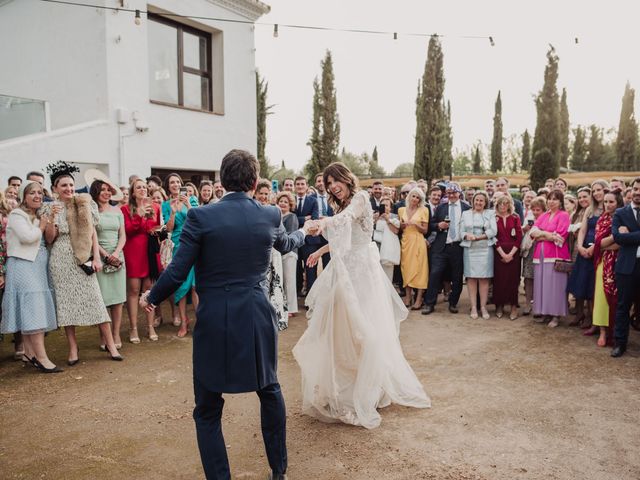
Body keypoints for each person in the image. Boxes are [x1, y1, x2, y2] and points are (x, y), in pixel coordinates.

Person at [141, 149, 312, 480]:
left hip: (215, 315)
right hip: (255, 313)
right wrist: (308, 231)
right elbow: (288, 244)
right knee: (269, 389)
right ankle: (279, 471)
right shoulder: (269, 214)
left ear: (222, 179)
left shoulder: (201, 217)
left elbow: (177, 271)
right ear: (253, 180)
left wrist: (153, 296)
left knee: (207, 408)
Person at [294, 162, 430, 429]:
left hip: (362, 272)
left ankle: (368, 388)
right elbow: (342, 239)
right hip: (344, 269)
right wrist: (320, 252)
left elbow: (345, 223)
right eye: (328, 183)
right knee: (339, 328)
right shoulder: (340, 206)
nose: (333, 186)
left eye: (336, 181)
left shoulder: (360, 198)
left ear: (346, 179)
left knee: (363, 328)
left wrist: (321, 223)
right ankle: (344, 386)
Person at [43, 161, 123, 364]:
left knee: (96, 301)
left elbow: (93, 234)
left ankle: (111, 345)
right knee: (66, 306)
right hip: (60, 260)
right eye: (64, 186)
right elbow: (50, 239)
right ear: (55, 189)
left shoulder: (86, 202)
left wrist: (96, 257)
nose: (69, 189)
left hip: (83, 257)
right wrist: (52, 218)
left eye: (71, 185)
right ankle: (73, 348)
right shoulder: (48, 208)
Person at [1, 181, 60, 373]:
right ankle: (42, 358)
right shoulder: (17, 215)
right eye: (32, 193)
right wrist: (42, 225)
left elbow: (50, 239)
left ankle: (29, 353)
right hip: (23, 265)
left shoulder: (39, 215)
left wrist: (50, 219)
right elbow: (27, 237)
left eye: (39, 193)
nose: (37, 196)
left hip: (38, 266)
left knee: (31, 309)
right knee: (34, 310)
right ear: (23, 196)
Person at [90, 177, 127, 350]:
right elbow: (90, 237)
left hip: (118, 257)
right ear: (95, 192)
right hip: (99, 256)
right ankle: (104, 336)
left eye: (108, 190)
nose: (105, 192)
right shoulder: (91, 211)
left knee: (118, 299)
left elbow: (123, 235)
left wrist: (116, 253)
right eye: (102, 189)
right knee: (103, 299)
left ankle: (116, 333)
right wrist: (105, 255)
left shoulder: (117, 210)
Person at [422, 183, 470, 315]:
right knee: (434, 274)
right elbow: (431, 224)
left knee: (457, 276)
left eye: (454, 193)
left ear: (459, 193)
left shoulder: (467, 208)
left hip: (458, 247)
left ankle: (453, 303)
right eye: (449, 193)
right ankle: (429, 303)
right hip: (441, 247)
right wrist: (439, 225)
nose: (451, 195)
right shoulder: (441, 207)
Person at [122, 179, 160, 343]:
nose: (143, 189)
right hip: (133, 252)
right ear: (132, 192)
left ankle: (150, 326)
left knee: (149, 290)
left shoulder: (156, 207)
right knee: (133, 290)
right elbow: (128, 231)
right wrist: (139, 215)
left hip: (149, 252)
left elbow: (156, 228)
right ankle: (133, 328)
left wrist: (156, 230)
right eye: (138, 187)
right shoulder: (125, 209)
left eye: (144, 187)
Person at [162, 173, 200, 336]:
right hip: (178, 245)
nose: (176, 185)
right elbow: (168, 229)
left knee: (195, 286)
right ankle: (183, 322)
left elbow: (199, 220)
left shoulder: (192, 200)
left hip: (195, 244)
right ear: (168, 186)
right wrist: (172, 213)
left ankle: (200, 322)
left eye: (178, 182)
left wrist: (188, 206)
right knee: (181, 286)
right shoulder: (165, 205)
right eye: (172, 182)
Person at [568, 180, 607, 334]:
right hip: (584, 249)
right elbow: (583, 229)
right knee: (581, 282)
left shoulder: (611, 207)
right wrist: (580, 245)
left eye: (600, 189)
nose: (597, 193)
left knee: (593, 287)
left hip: (600, 249)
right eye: (594, 190)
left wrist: (593, 247)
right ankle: (581, 315)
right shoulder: (590, 210)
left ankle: (593, 320)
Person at [530, 189, 571, 327]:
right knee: (542, 285)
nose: (551, 201)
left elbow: (560, 237)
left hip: (555, 256)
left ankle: (555, 315)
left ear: (560, 202)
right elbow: (533, 232)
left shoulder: (564, 215)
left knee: (555, 285)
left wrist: (542, 234)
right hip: (540, 255)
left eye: (555, 199)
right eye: (549, 198)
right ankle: (545, 312)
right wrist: (549, 235)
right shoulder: (544, 215)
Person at [610, 177, 640, 357]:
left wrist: (631, 235)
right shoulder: (621, 213)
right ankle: (620, 343)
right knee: (623, 306)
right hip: (627, 266)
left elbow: (626, 237)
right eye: (636, 189)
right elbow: (618, 238)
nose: (638, 192)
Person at [592, 190, 623, 347]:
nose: (608, 205)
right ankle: (603, 332)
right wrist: (614, 237)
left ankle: (615, 332)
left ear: (618, 202)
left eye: (611, 202)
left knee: (616, 297)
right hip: (602, 262)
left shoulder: (623, 218)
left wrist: (605, 244)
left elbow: (622, 243)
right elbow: (599, 242)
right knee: (601, 296)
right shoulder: (602, 219)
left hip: (619, 262)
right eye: (605, 202)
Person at [256, 180, 288, 330]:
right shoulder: (254, 209)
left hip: (274, 251)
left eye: (265, 194)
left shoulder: (275, 210)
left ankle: (275, 316)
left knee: (274, 283)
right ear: (255, 194)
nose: (263, 196)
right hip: (259, 251)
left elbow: (281, 234)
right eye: (260, 193)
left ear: (270, 195)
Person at [459, 191, 496, 319]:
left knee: (484, 278)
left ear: (485, 202)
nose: (478, 202)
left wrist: (479, 237)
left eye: (481, 200)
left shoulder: (490, 213)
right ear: (473, 201)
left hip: (485, 249)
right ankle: (474, 307)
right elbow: (461, 231)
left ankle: (483, 307)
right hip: (470, 249)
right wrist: (466, 235)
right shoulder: (466, 213)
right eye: (476, 200)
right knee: (471, 278)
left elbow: (493, 231)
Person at [398, 187, 429, 309]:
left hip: (418, 241)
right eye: (413, 196)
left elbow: (425, 230)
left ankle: (419, 299)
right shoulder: (401, 210)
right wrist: (402, 225)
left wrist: (416, 224)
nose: (415, 199)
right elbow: (400, 228)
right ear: (409, 196)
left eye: (418, 197)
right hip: (405, 241)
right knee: (406, 268)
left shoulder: (424, 210)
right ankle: (408, 297)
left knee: (420, 269)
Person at [493, 195, 523, 319]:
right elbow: (493, 237)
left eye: (505, 203)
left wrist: (510, 254)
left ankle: (513, 307)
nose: (503, 206)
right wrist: (503, 254)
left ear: (510, 204)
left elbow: (519, 238)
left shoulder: (515, 218)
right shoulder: (493, 218)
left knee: (513, 280)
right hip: (498, 252)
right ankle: (499, 305)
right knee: (499, 280)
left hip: (513, 254)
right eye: (500, 203)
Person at [521, 196, 546, 316]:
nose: (535, 212)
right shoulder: (528, 219)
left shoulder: (547, 219)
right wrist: (525, 229)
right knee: (528, 278)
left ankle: (538, 304)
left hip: (543, 251)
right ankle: (527, 304)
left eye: (538, 210)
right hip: (530, 251)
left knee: (541, 279)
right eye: (534, 209)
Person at [294, 176, 319, 294]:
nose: (300, 186)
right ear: (295, 187)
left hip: (310, 240)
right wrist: (304, 218)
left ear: (306, 186)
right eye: (297, 184)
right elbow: (290, 219)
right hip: (294, 239)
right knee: (296, 269)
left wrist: (298, 220)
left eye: (302, 184)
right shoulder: (290, 200)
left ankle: (311, 297)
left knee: (311, 269)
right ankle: (297, 293)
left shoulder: (313, 201)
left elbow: (314, 220)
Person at [277, 191, 299, 317]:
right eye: (281, 201)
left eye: (286, 202)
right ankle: (283, 306)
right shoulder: (277, 216)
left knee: (289, 281)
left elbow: (291, 234)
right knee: (281, 280)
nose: (283, 204)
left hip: (290, 252)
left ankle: (291, 308)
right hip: (279, 253)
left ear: (290, 204)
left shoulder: (292, 217)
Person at [376, 197, 401, 281]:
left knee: (387, 275)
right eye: (382, 205)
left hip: (388, 249)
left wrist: (387, 219)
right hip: (376, 247)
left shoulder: (394, 217)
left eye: (387, 205)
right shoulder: (376, 216)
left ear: (390, 208)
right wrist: (375, 219)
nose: (385, 207)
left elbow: (395, 231)